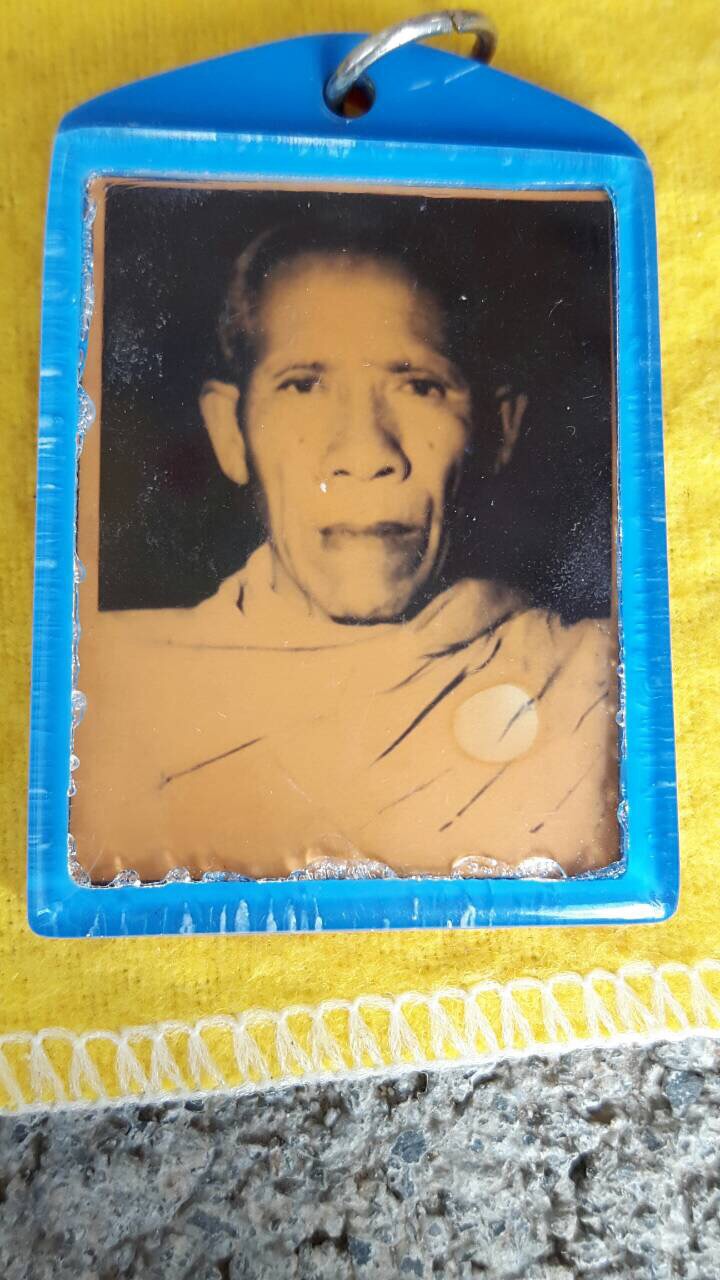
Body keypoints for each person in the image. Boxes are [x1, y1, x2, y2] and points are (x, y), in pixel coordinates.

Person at [72, 219, 618, 883]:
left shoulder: (590, 684)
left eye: (420, 385)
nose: (364, 453)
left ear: (497, 431)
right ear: (230, 432)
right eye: (304, 384)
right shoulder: (108, 686)